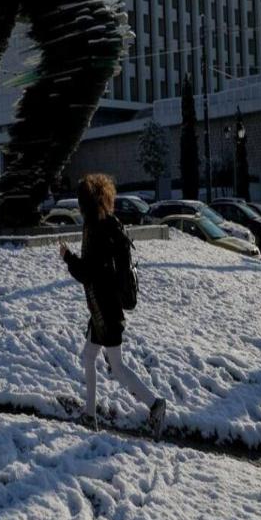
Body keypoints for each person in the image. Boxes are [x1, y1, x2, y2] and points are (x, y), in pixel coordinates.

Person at [59, 173, 166, 437]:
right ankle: (90, 414)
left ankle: (155, 404)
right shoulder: (107, 223)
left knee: (116, 366)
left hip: (105, 310)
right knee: (89, 356)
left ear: (85, 203)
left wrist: (67, 256)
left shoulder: (94, 229)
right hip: (102, 307)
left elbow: (87, 273)